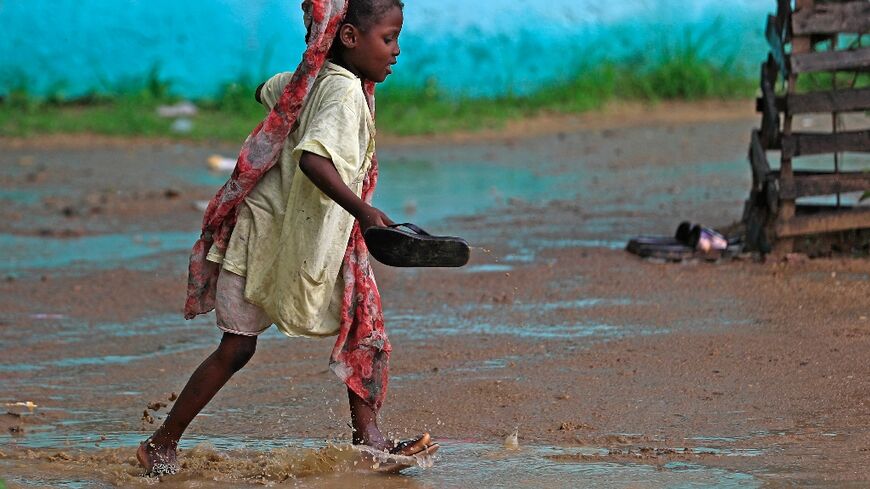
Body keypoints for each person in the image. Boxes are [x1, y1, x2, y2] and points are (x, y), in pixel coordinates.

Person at [137, 0, 436, 475]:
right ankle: (161, 442)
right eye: (389, 38)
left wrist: (288, 84)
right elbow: (313, 161)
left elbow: (268, 89)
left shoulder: (312, 78)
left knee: (353, 327)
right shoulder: (342, 94)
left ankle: (368, 440)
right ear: (350, 38)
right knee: (252, 345)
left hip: (289, 235)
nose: (397, 51)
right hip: (278, 237)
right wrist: (364, 210)